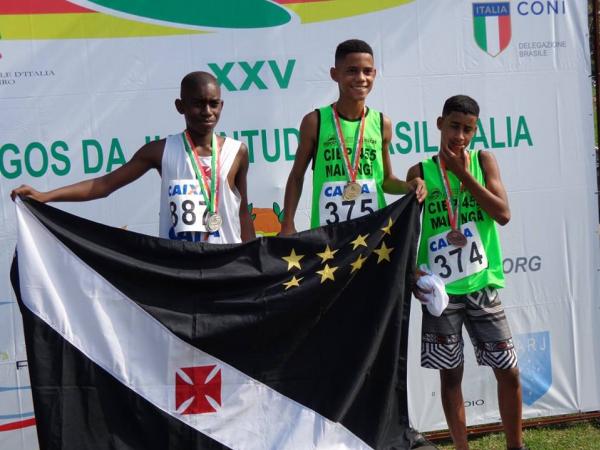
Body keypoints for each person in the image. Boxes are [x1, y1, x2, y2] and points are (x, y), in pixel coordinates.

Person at [407, 95, 527, 450]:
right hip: (441, 292)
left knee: (508, 370)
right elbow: (409, 230)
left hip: (481, 284)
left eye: (468, 129)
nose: (460, 136)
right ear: (440, 124)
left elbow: (502, 214)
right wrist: (413, 273)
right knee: (451, 375)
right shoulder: (420, 171)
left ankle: (516, 446)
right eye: (454, 126)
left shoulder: (483, 161)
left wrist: (462, 173)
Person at [11, 71, 255, 244]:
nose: (207, 112)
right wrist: (45, 196)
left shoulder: (237, 152)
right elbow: (104, 185)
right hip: (182, 267)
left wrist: (255, 263)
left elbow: (243, 212)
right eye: (198, 104)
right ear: (180, 106)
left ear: (221, 105)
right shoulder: (160, 151)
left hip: (227, 263)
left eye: (213, 104)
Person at [279, 39, 425, 234]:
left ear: (374, 74)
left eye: (367, 71)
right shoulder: (315, 122)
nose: (361, 78)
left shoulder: (382, 123)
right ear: (335, 74)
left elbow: (386, 180)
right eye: (352, 71)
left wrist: (408, 187)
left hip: (373, 234)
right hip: (328, 236)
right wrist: (287, 223)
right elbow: (297, 176)